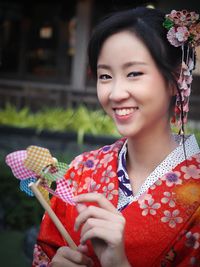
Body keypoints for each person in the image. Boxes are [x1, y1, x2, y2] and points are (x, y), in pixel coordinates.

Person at [32, 6, 200, 267]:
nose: (116, 93)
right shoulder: (80, 172)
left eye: (134, 73)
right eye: (105, 76)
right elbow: (45, 254)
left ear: (175, 77)